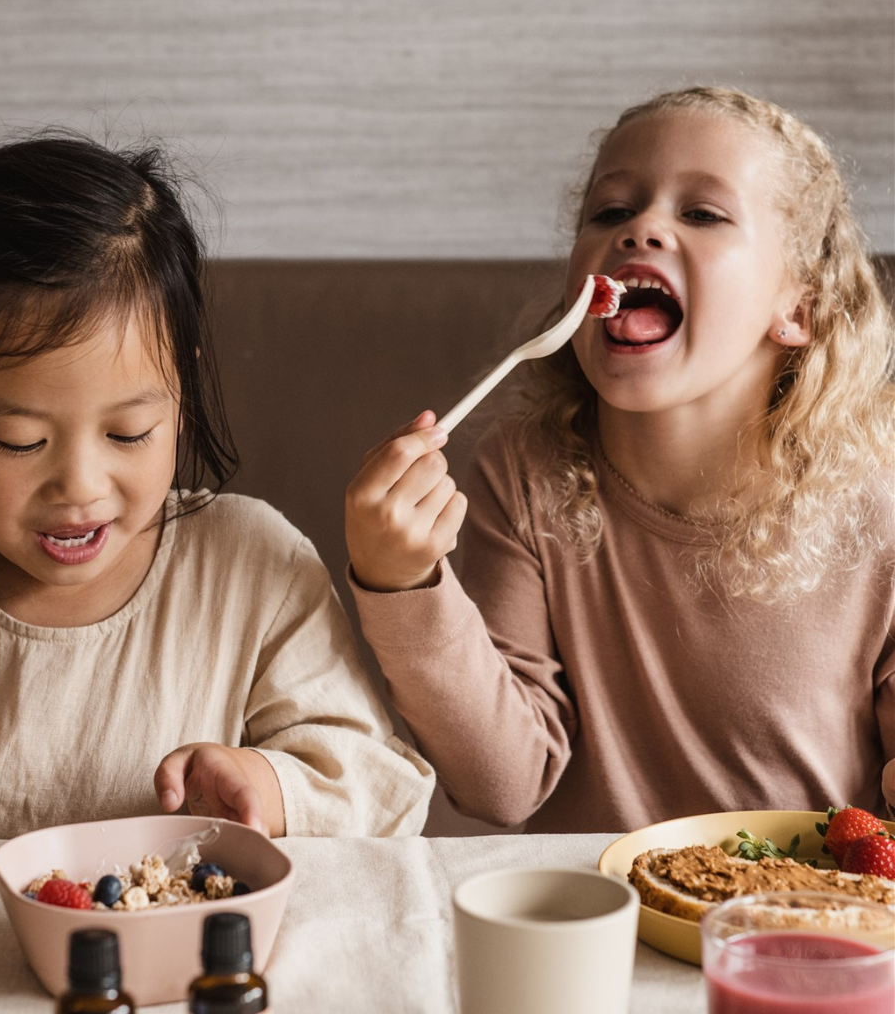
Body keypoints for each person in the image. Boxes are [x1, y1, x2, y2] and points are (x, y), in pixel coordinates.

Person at [0, 132, 433, 842]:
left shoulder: (252, 565)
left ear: (180, 396)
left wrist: (270, 785)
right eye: (21, 442)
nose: (80, 486)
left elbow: (376, 788)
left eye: (129, 432)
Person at [345, 86, 895, 834]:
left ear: (798, 307)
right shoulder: (524, 475)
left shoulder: (877, 500)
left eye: (701, 213)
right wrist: (402, 580)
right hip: (600, 923)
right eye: (611, 212)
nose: (641, 230)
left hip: (795, 923)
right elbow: (502, 785)